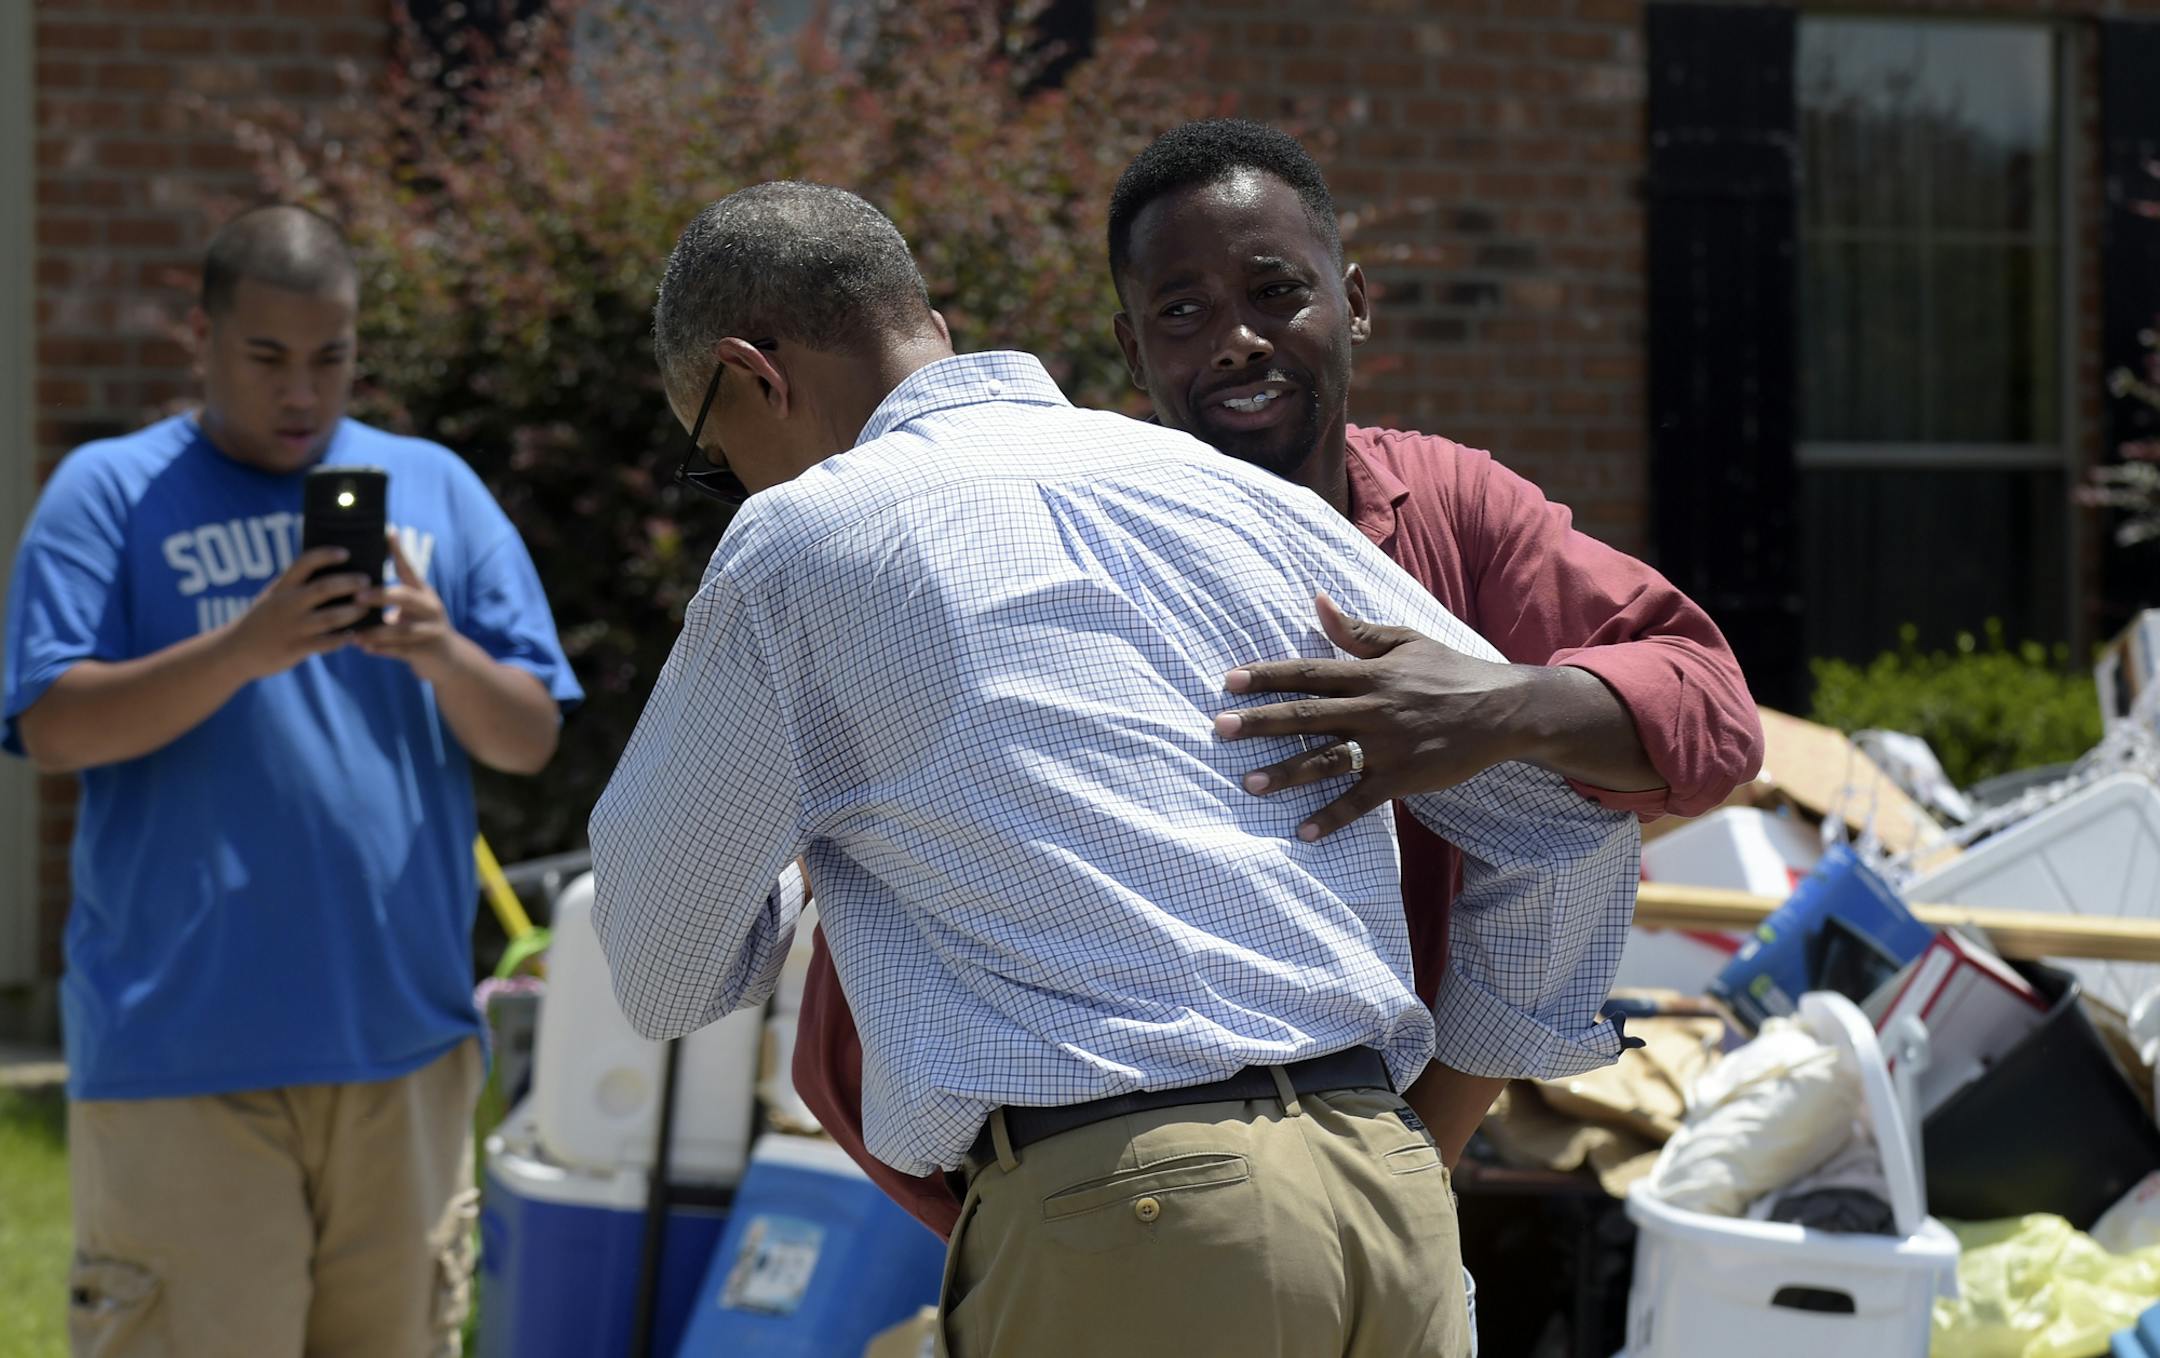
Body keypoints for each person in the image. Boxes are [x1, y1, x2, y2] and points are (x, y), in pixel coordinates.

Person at [593, 180, 1640, 1357]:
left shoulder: (798, 542)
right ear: (926, 325)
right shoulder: (1235, 494)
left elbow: (666, 975)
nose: (735, 485)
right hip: (1386, 1202)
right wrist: (1428, 1127)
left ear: (752, 375)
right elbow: (1568, 827)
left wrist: (793, 829)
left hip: (1130, 1216)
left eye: (715, 457)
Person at [792, 118, 1766, 1239]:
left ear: (1354, 301)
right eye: (1184, 311)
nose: (1239, 339)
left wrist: (1488, 709)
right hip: (1109, 1180)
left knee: (1569, 815)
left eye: (1275, 290)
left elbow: (1710, 709)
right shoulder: (1052, 533)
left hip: (1387, 1144)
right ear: (1130, 347)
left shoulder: (1447, 511)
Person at [2, 205, 582, 1357]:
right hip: (181, 1050)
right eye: (267, 357)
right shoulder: (108, 490)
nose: (301, 392)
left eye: (331, 357)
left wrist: (438, 647)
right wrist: (247, 646)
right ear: (201, 339)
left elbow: (528, 735)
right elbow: (52, 724)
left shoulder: (436, 487)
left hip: (402, 1044)